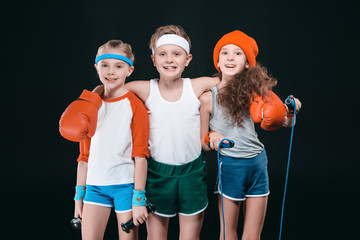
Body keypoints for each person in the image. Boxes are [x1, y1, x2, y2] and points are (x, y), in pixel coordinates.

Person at [90, 25, 220, 240]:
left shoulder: (197, 86)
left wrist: (277, 105)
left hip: (192, 173)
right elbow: (109, 90)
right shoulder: (144, 88)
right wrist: (89, 100)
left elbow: (234, 83)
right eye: (163, 54)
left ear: (187, 59)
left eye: (176, 54)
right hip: (157, 175)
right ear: (153, 60)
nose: (169, 60)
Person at [199, 30, 302, 240]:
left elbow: (285, 123)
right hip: (231, 165)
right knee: (228, 234)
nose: (230, 57)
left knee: (253, 235)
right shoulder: (207, 98)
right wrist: (213, 137)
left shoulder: (257, 94)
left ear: (247, 63)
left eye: (237, 53)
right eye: (224, 52)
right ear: (217, 62)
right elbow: (203, 142)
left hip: (258, 163)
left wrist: (292, 111)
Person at [63, 40, 150, 240]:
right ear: (96, 67)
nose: (111, 71)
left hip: (125, 186)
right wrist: (79, 197)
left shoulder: (135, 106)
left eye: (118, 66)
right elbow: (84, 156)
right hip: (94, 186)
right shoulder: (89, 107)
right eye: (105, 65)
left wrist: (139, 199)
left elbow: (141, 156)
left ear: (129, 70)